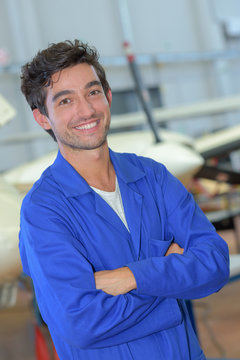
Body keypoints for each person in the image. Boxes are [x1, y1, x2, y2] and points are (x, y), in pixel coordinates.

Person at [19, 39, 229, 360]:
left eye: (92, 92)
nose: (86, 110)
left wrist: (129, 277)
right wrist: (169, 278)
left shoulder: (154, 177)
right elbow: (81, 322)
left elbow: (214, 262)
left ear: (108, 96)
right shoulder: (43, 211)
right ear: (42, 118)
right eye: (65, 101)